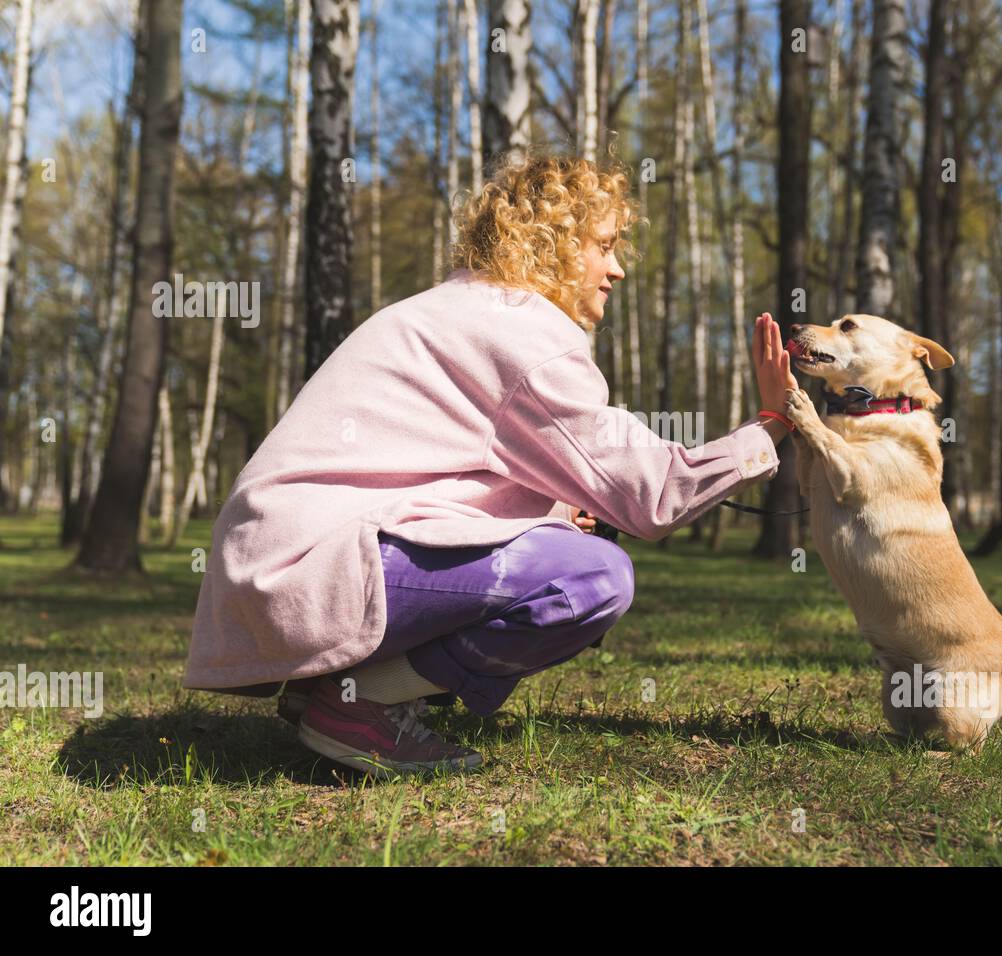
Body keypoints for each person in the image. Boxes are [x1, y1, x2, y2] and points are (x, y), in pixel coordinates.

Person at [182, 153, 799, 777]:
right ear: (553, 244)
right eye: (604, 246)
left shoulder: (460, 311)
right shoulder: (525, 335)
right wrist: (768, 429)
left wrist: (555, 512)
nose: (616, 269)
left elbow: (429, 464)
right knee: (590, 579)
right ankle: (357, 705)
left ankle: (339, 686)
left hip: (275, 564)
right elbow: (653, 495)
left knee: (560, 546)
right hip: (307, 570)